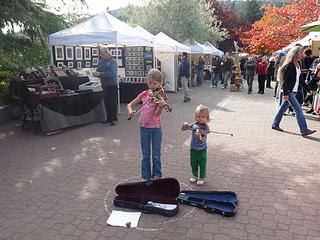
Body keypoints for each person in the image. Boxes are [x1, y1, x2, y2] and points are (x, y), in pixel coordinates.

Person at [127, 69, 166, 181]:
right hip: (143, 127)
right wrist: (130, 110)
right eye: (150, 83)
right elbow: (130, 104)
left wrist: (161, 107)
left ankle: (157, 174)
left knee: (156, 154)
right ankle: (145, 176)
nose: (152, 86)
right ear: (147, 82)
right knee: (145, 154)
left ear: (160, 84)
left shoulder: (159, 97)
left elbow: (157, 114)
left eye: (155, 84)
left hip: (156, 128)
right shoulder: (144, 94)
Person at [272, 46, 316, 137]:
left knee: (282, 109)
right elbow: (284, 80)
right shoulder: (290, 65)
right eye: (300, 53)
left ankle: (275, 124)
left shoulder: (298, 65)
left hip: (294, 91)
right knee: (298, 110)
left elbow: (301, 80)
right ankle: (304, 130)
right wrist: (285, 93)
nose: (302, 55)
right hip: (289, 91)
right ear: (295, 54)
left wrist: (308, 89)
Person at [181, 104, 210, 186]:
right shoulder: (194, 124)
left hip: (202, 150)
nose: (200, 118)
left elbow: (203, 139)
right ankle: (194, 176)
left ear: (206, 118)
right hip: (193, 149)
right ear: (196, 117)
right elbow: (183, 129)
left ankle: (201, 177)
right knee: (193, 163)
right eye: (198, 116)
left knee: (202, 164)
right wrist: (185, 125)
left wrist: (201, 134)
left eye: (203, 117)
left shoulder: (206, 127)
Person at [93, 47, 118, 126]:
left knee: (112, 102)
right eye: (101, 54)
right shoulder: (101, 62)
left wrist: (101, 74)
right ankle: (108, 117)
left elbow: (112, 73)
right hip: (104, 84)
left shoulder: (113, 62)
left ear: (108, 53)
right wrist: (96, 73)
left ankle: (114, 119)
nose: (102, 56)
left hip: (112, 84)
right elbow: (98, 70)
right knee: (106, 102)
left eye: (103, 54)